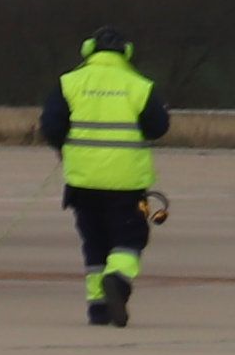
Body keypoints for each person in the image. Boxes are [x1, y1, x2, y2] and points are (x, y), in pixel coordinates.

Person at [39, 26, 172, 327]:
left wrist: (64, 146)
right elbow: (158, 127)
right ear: (126, 52)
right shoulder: (139, 85)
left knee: (94, 241)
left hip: (82, 181)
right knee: (130, 238)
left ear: (88, 50)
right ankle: (119, 281)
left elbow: (51, 125)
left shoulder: (69, 82)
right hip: (127, 183)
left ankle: (98, 308)